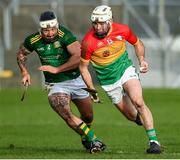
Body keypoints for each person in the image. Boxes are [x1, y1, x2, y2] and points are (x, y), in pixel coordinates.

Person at [16, 10, 106, 154]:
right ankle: (93, 139)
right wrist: (24, 72)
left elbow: (78, 57)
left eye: (52, 29)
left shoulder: (65, 35)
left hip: (76, 80)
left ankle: (85, 134)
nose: (50, 33)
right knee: (67, 114)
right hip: (56, 84)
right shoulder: (32, 40)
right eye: (46, 30)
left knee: (88, 116)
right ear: (40, 30)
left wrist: (57, 69)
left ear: (56, 27)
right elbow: (21, 54)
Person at [79, 5, 161, 154]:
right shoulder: (87, 42)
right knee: (131, 115)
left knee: (138, 102)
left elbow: (137, 43)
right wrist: (91, 89)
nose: (98, 27)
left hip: (126, 70)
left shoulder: (123, 30)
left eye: (101, 23)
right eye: (95, 23)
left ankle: (154, 142)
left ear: (110, 21)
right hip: (109, 82)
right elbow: (83, 68)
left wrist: (141, 60)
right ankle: (140, 119)